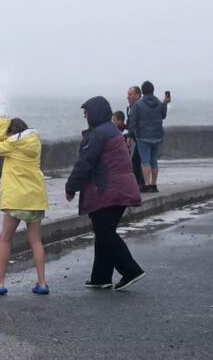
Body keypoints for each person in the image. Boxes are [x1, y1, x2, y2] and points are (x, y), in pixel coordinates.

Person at [65, 96, 144, 291]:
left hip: (107, 189)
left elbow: (84, 164)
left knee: (105, 232)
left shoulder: (97, 135)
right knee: (103, 232)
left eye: (87, 112)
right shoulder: (111, 131)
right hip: (119, 188)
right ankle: (101, 277)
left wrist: (71, 187)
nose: (85, 115)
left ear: (95, 113)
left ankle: (130, 269)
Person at [0, 117, 49, 295]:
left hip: (17, 199)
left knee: (5, 239)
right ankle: (42, 283)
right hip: (35, 197)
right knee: (36, 241)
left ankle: (0, 283)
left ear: (11, 132)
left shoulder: (13, 143)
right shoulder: (34, 141)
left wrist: (1, 125)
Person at [128, 81, 169, 193]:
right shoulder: (158, 102)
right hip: (157, 136)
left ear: (142, 91)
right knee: (154, 161)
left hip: (143, 137)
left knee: (145, 162)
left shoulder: (138, 105)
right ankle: (154, 185)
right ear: (152, 90)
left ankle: (147, 184)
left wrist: (130, 136)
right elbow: (163, 115)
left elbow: (132, 122)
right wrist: (165, 103)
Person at [125, 86, 144, 188]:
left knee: (137, 161)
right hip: (136, 137)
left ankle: (141, 184)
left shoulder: (142, 106)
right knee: (137, 160)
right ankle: (140, 183)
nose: (127, 97)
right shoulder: (129, 107)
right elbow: (130, 122)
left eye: (130, 94)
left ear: (137, 95)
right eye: (128, 94)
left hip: (142, 137)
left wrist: (129, 135)